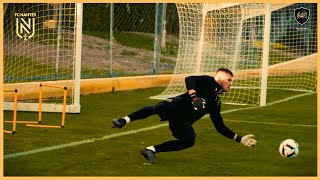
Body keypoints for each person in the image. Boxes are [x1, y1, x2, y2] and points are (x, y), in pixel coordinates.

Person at [112, 68, 257, 164]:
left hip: (182, 122)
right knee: (158, 108)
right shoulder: (208, 81)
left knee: (189, 140)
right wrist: (194, 96)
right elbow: (189, 79)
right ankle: (123, 120)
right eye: (229, 80)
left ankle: (150, 150)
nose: (231, 83)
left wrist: (240, 139)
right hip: (176, 106)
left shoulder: (216, 102)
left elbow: (219, 126)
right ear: (220, 78)